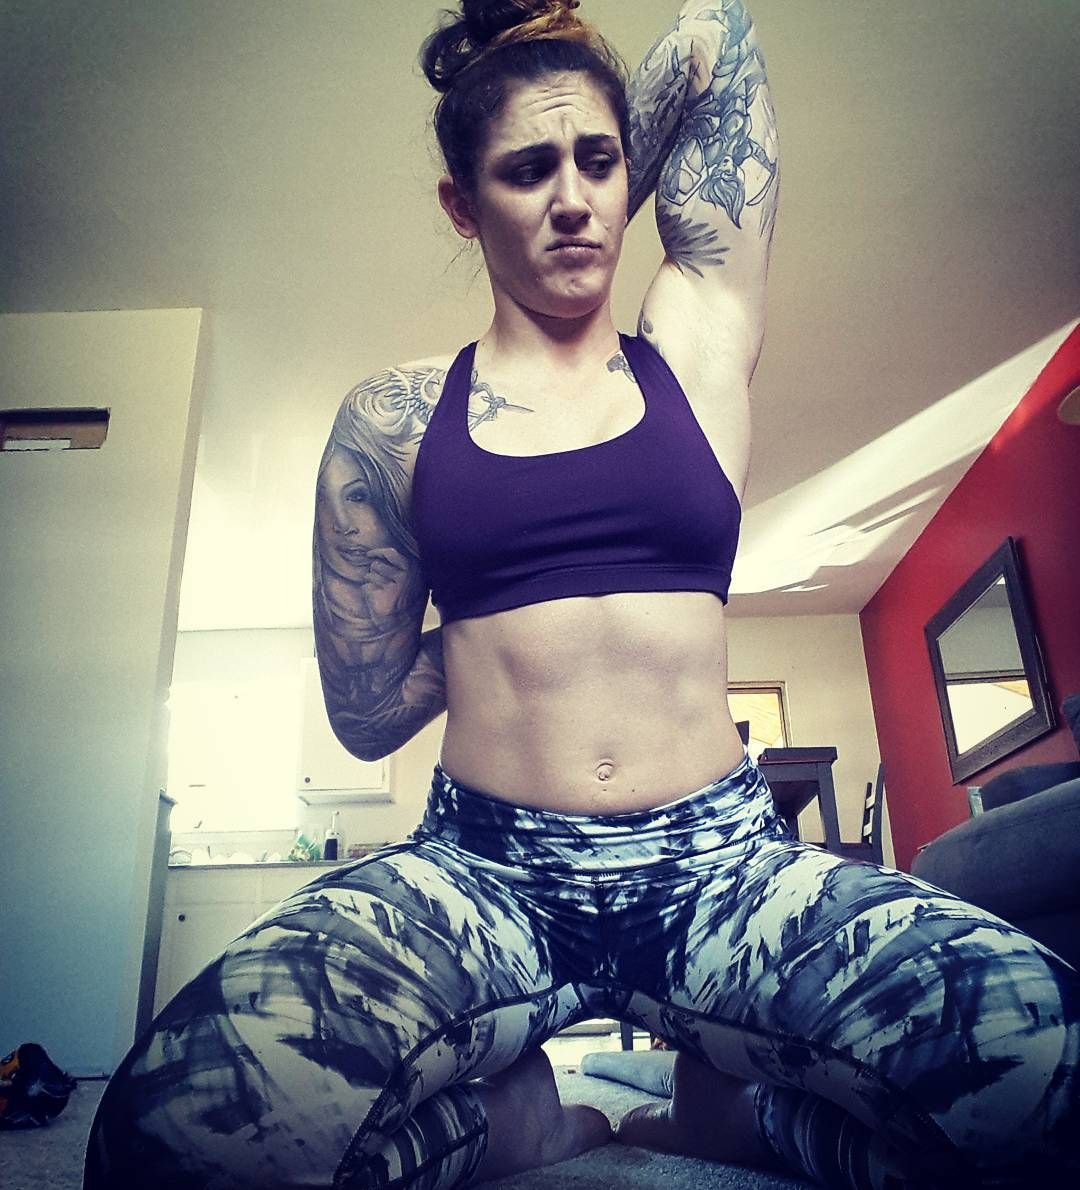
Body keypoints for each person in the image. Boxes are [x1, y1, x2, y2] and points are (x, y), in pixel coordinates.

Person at [84, 2, 1079, 1188]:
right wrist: (492, 611)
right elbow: (364, 712)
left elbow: (719, 36)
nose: (573, 199)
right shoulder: (393, 420)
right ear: (461, 204)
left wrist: (560, 135)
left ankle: (741, 1122)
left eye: (597, 162)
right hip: (482, 876)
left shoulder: (696, 343)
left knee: (1050, 1075)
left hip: (721, 867)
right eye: (525, 172)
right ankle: (516, 1123)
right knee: (169, 1134)